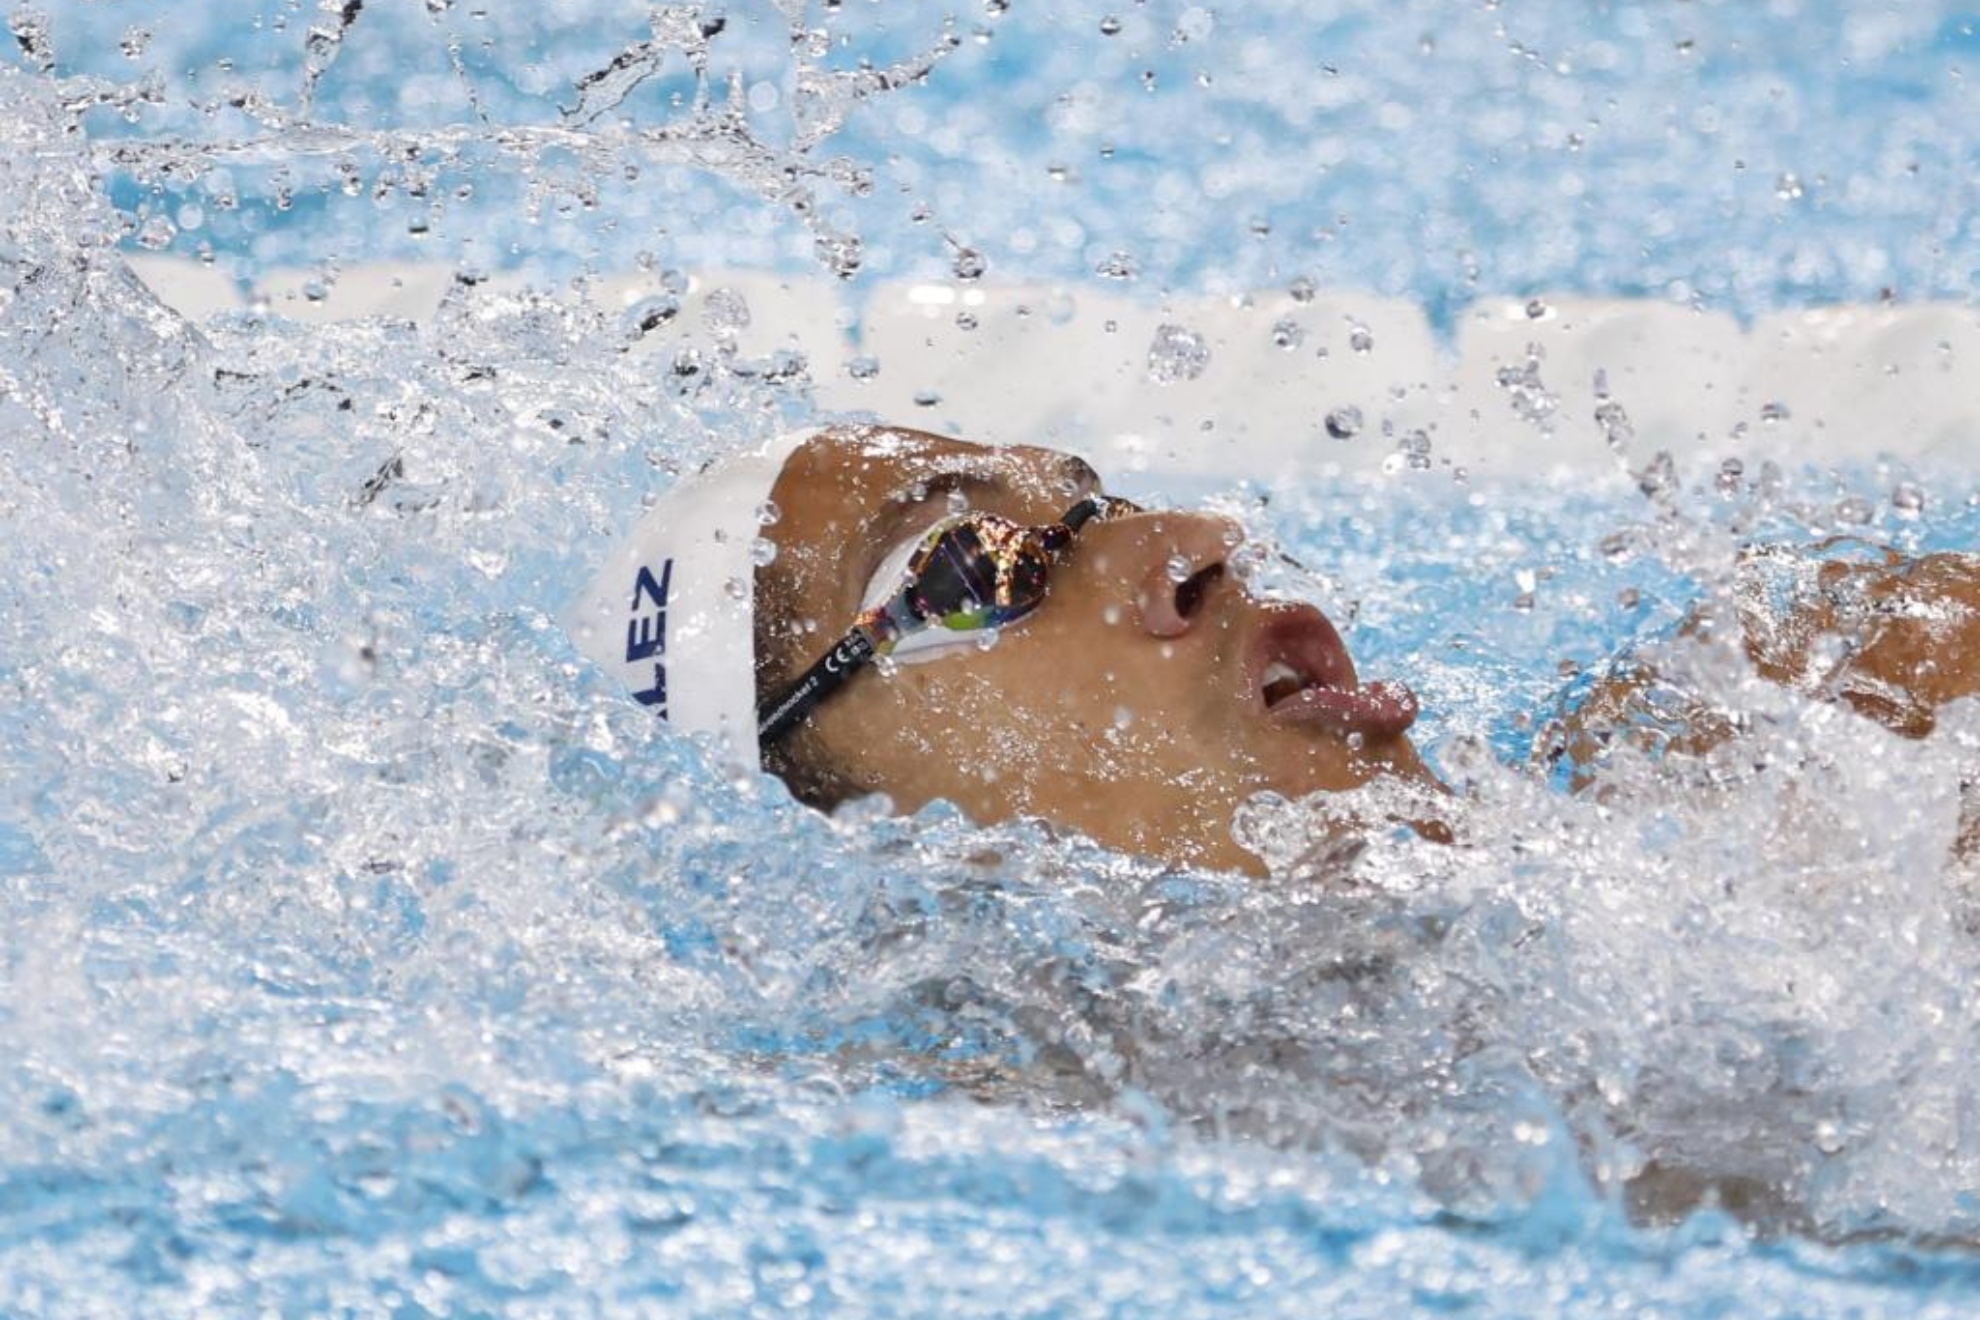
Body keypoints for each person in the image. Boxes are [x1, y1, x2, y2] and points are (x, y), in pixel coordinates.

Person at [567, 423, 1980, 875]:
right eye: (964, 565)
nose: (1189, 535)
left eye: (1096, 501)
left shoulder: (1796, 752)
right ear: (850, 835)